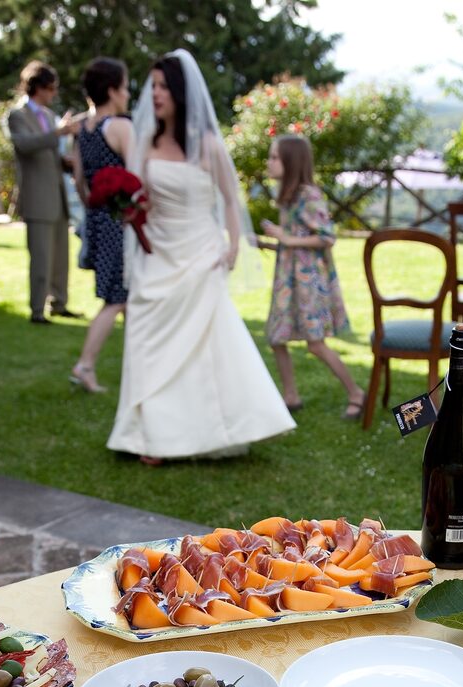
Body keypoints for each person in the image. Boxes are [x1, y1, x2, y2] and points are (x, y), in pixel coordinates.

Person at [107, 50, 295, 463]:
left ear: (179, 92)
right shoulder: (146, 143)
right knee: (146, 338)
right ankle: (147, 434)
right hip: (156, 251)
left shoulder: (207, 145)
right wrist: (128, 209)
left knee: (201, 347)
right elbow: (140, 197)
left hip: (198, 250)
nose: (154, 94)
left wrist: (231, 244)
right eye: (151, 85)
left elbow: (230, 200)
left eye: (161, 86)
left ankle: (199, 431)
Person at [261, 135, 365, 418]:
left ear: (291, 162)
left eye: (274, 157)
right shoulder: (286, 196)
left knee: (315, 344)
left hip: (308, 282)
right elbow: (293, 239)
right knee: (276, 337)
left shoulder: (309, 195)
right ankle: (291, 395)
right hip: (288, 279)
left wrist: (286, 238)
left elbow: (327, 237)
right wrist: (270, 242)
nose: (268, 163)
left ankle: (356, 393)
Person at [70, 57, 133, 393]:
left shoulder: (84, 130)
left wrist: (95, 207)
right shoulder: (120, 127)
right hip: (121, 222)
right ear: (112, 89)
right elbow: (139, 177)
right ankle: (85, 363)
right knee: (118, 298)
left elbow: (80, 182)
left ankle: (140, 367)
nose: (128, 93)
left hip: (97, 218)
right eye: (125, 86)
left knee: (128, 299)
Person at [7, 60, 84, 325]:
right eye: (51, 88)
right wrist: (57, 132)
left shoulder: (49, 116)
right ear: (37, 87)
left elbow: (52, 152)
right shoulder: (18, 115)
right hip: (38, 198)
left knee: (61, 258)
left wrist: (68, 161)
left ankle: (59, 304)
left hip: (58, 196)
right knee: (41, 258)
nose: (53, 94)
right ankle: (37, 311)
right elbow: (24, 146)